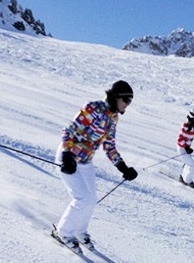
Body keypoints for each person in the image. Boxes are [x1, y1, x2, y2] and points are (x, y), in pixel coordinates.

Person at [53, 80, 138, 253]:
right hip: (69, 157)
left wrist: (123, 167)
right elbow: (69, 131)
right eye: (127, 100)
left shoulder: (113, 118)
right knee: (82, 198)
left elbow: (109, 146)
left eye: (130, 101)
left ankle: (79, 230)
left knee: (91, 200)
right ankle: (62, 232)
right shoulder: (93, 108)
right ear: (116, 97)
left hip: (85, 162)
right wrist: (68, 156)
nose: (127, 105)